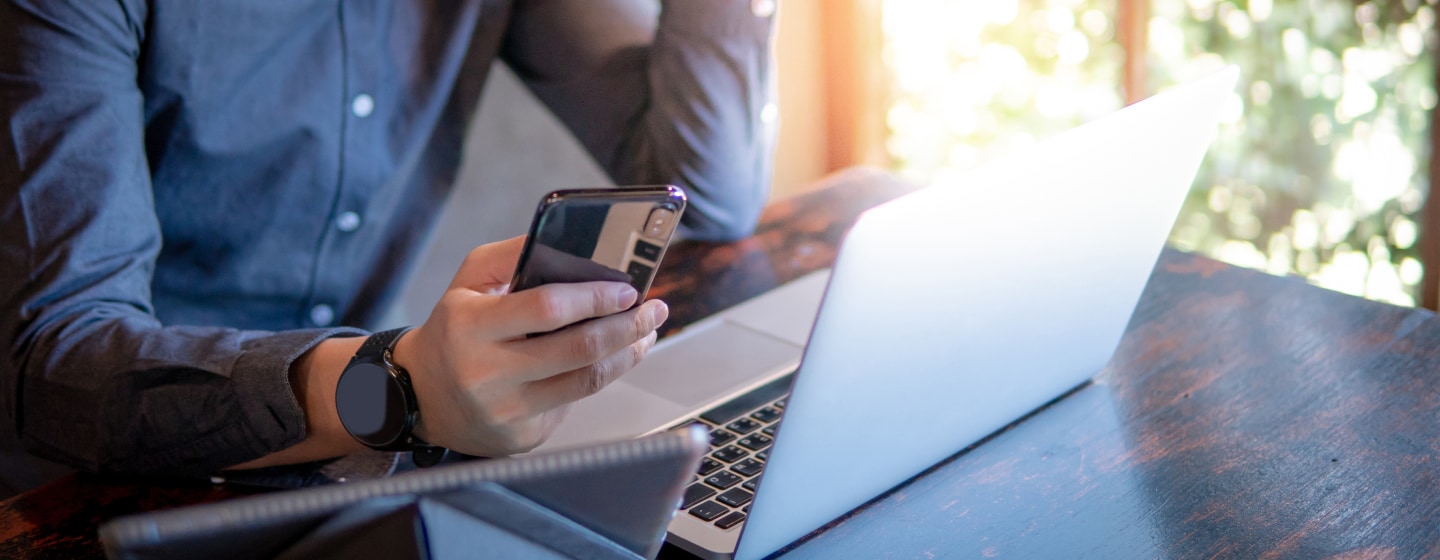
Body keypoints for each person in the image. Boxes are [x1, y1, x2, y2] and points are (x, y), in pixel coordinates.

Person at [0, 0, 777, 498]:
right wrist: (398, 388)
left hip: (361, 468)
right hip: (88, 491)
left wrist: (410, 394)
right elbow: (56, 365)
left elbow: (702, 193)